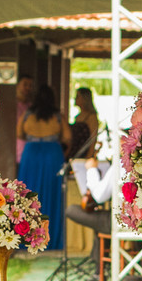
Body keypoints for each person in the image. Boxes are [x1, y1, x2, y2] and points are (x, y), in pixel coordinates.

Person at [18, 85, 71, 251]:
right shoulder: (57, 116)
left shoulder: (28, 115)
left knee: (29, 196)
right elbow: (68, 137)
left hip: (31, 154)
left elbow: (19, 133)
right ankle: (51, 239)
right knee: (52, 194)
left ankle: (28, 237)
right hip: (52, 155)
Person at [65, 157, 122, 281]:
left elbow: (99, 196)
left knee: (71, 210)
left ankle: (99, 271)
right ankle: (99, 270)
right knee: (99, 221)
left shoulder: (120, 164)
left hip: (119, 220)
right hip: (130, 218)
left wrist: (91, 170)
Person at [69, 87, 100, 159]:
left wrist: (89, 156)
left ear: (84, 99)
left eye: (77, 97)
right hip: (75, 152)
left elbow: (93, 138)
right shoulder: (77, 117)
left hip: (85, 153)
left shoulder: (91, 117)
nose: (75, 99)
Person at [14, 75, 34, 163]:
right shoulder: (12, 106)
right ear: (17, 85)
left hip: (29, 150)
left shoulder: (31, 107)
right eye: (25, 85)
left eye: (30, 85)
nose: (28, 88)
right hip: (15, 149)